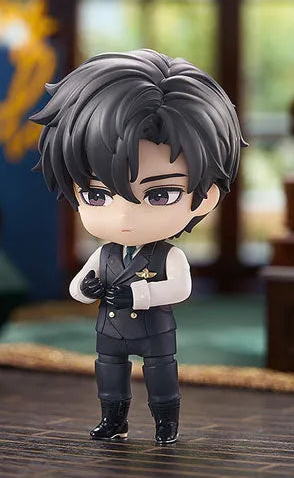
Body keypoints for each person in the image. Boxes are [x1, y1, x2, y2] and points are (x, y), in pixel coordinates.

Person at [32, 49, 246, 445]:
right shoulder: (105, 254)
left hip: (154, 332)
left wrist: (140, 293)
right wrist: (86, 289)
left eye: (160, 194)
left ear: (206, 197)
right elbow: (78, 287)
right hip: (110, 330)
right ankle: (113, 420)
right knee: (109, 373)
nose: (124, 216)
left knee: (160, 376)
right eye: (97, 195)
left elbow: (180, 288)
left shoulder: (169, 256)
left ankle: (166, 423)